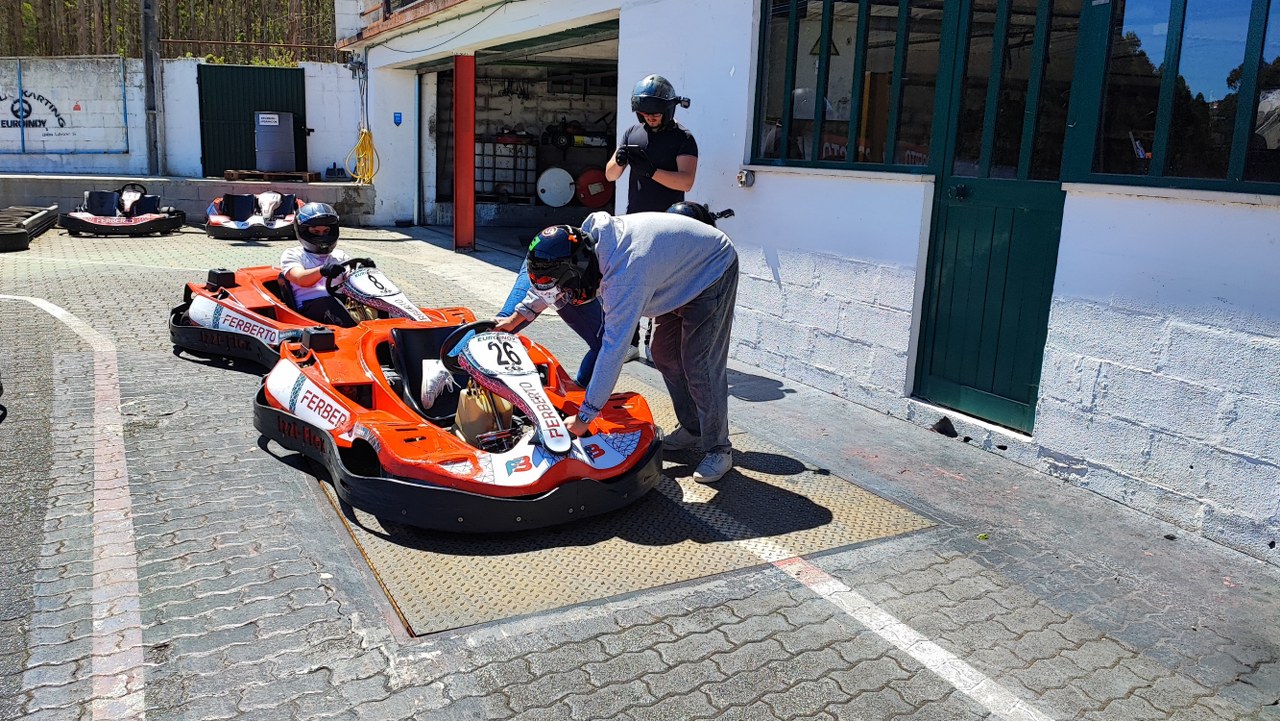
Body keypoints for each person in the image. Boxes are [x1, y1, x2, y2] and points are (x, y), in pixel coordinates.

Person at [494, 212, 739, 484]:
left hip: (711, 270)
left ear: (579, 270)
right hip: (675, 273)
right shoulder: (584, 244)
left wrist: (585, 417)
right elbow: (549, 286)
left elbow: (613, 349)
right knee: (663, 354)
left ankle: (719, 448)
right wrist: (520, 315)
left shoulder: (625, 276)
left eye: (566, 288)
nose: (564, 296)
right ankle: (693, 427)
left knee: (699, 363)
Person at [279, 202, 357, 327]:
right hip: (309, 307)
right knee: (329, 304)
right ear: (303, 231)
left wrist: (363, 272)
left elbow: (352, 277)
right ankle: (355, 337)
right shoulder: (293, 254)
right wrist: (322, 271)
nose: (322, 235)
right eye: (315, 231)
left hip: (340, 303)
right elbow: (300, 278)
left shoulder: (339, 256)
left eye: (326, 231)